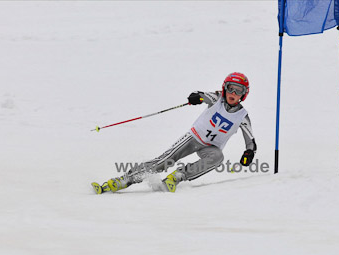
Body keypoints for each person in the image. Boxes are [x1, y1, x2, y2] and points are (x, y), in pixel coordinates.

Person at [92, 72, 257, 194]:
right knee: (163, 162)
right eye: (230, 89)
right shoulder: (217, 98)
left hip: (211, 147)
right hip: (194, 138)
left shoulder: (242, 116)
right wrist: (196, 97)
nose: (233, 94)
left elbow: (251, 141)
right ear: (225, 88)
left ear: (244, 94)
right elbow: (203, 96)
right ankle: (123, 180)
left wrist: (249, 153)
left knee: (218, 158)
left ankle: (177, 177)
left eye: (239, 91)